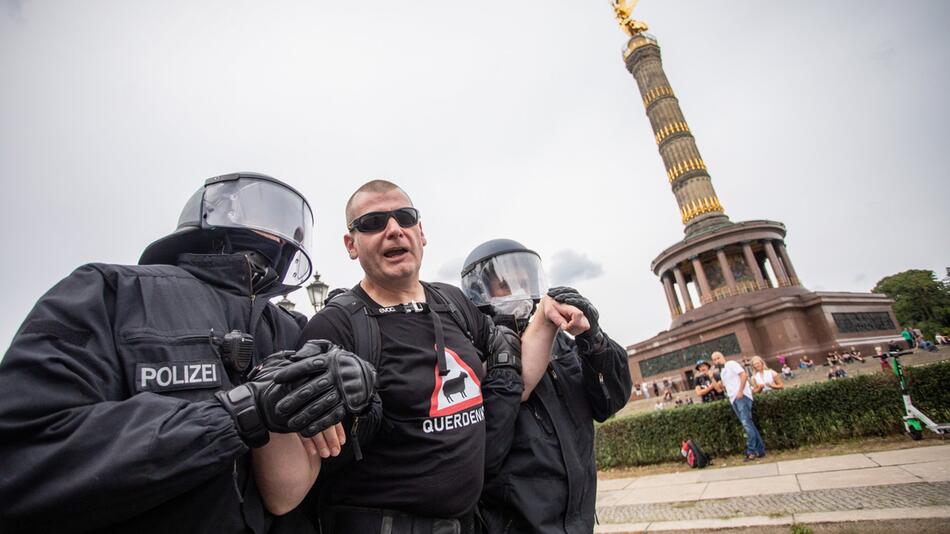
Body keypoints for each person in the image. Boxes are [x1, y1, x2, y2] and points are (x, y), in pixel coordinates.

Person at [0, 172, 371, 533]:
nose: (281, 230)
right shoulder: (111, 293)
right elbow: (24, 461)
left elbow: (327, 467)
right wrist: (236, 416)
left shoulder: (289, 327)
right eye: (262, 208)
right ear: (214, 212)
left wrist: (360, 400)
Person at [251, 181, 569, 533]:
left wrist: (547, 317)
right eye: (372, 223)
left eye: (404, 218)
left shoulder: (453, 303)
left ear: (421, 232)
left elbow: (515, 382)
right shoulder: (336, 327)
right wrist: (270, 402)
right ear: (350, 245)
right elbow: (284, 497)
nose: (393, 231)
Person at [461, 238, 631, 534]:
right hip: (512, 523)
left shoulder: (560, 342)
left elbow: (608, 403)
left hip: (576, 519)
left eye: (524, 279)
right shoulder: (473, 349)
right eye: (505, 283)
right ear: (479, 290)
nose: (518, 290)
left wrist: (594, 340)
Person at [711, 351, 765, 461]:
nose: (717, 360)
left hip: (742, 397)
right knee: (749, 425)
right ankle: (760, 450)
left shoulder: (731, 364)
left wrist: (740, 391)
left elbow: (744, 375)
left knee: (746, 424)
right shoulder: (723, 371)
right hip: (733, 399)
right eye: (714, 359)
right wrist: (711, 377)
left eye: (718, 358)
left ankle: (751, 452)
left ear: (723, 356)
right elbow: (719, 389)